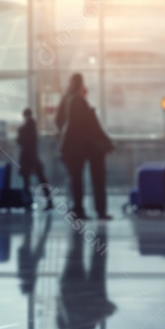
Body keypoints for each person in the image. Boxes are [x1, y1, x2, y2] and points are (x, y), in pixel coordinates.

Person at [55, 73, 114, 221]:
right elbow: (87, 125)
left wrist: (64, 136)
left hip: (73, 146)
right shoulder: (78, 101)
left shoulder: (66, 99)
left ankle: (77, 210)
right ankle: (98, 211)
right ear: (81, 84)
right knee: (96, 179)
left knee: (75, 180)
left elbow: (59, 120)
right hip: (86, 145)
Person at [17, 108, 52, 209]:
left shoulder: (24, 128)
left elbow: (20, 141)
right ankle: (49, 201)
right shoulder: (33, 126)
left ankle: (28, 202)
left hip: (27, 157)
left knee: (27, 181)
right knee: (41, 179)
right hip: (33, 157)